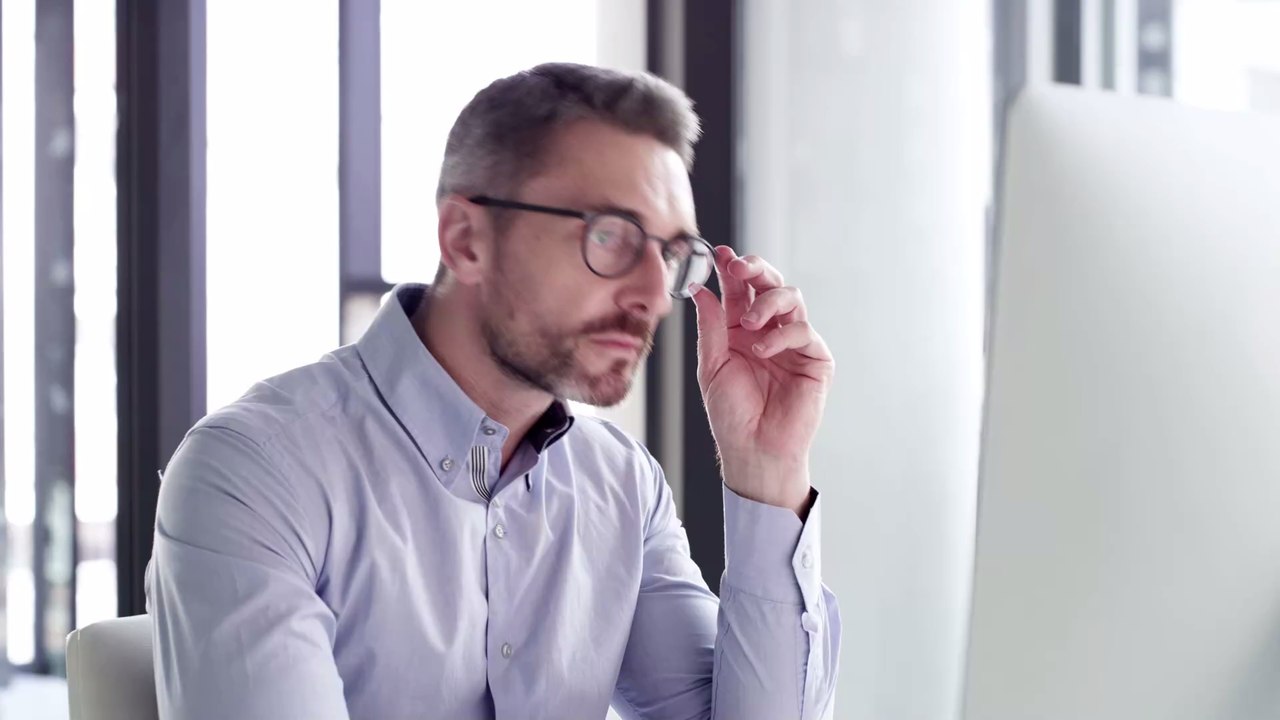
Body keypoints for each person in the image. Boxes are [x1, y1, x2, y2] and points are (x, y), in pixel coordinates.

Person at [147, 62, 840, 719]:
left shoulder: (622, 486)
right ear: (466, 239)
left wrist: (767, 468)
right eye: (612, 237)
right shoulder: (256, 472)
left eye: (670, 256)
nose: (655, 295)